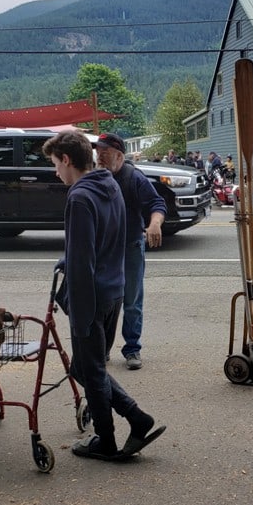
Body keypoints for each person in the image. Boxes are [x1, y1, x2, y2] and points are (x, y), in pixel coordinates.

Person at [42, 130, 165, 461]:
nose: (56, 172)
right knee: (83, 368)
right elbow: (107, 237)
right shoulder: (108, 184)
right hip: (114, 290)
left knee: (91, 370)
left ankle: (106, 439)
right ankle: (137, 418)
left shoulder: (80, 197)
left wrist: (78, 313)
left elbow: (82, 263)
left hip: (91, 297)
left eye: (56, 164)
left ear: (67, 160)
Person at [94, 133, 167, 370]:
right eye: (98, 153)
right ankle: (101, 349)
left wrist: (154, 223)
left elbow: (157, 204)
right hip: (103, 249)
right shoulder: (94, 178)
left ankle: (132, 349)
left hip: (130, 246)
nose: (100, 158)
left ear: (119, 156)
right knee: (104, 300)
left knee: (132, 301)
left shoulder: (133, 177)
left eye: (104, 154)